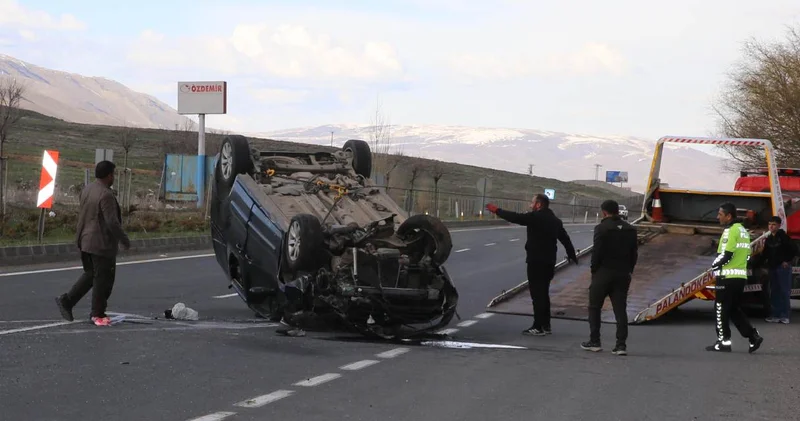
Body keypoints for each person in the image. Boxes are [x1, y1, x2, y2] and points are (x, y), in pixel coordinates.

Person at [485, 194, 578, 336]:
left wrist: (497, 210)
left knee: (537, 295)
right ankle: (546, 325)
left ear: (539, 204)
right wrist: (572, 255)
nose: (530, 205)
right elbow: (565, 238)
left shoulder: (536, 217)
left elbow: (515, 217)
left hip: (536, 261)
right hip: (549, 262)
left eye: (532, 202)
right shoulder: (555, 221)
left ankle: (538, 326)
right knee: (544, 293)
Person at [55, 161, 130, 326]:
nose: (114, 178)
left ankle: (67, 301)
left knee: (91, 275)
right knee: (103, 279)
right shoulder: (106, 195)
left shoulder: (87, 189)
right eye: (113, 174)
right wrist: (124, 239)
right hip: (100, 243)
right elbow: (112, 222)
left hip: (84, 240)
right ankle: (98, 313)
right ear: (109, 175)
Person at [580, 200, 638, 355]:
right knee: (620, 309)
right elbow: (634, 254)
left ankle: (595, 341)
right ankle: (621, 345)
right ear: (617, 211)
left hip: (604, 272)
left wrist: (594, 270)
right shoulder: (630, 229)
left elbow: (597, 252)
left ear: (604, 212)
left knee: (595, 306)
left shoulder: (601, 228)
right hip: (623, 273)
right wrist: (629, 270)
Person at [705, 202, 763, 353]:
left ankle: (723, 342)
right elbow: (747, 256)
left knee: (720, 308)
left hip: (726, 277)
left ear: (729, 216)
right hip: (740, 277)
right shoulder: (743, 231)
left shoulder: (730, 231)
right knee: (733, 309)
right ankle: (753, 336)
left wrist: (713, 265)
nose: (718, 217)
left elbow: (727, 254)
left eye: (720, 214)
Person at [759, 216, 796, 324]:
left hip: (783, 268)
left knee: (784, 291)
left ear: (779, 225)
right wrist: (757, 264)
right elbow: (765, 254)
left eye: (774, 224)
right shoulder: (769, 239)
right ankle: (775, 315)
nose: (771, 226)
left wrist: (787, 261)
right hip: (772, 268)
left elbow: (794, 250)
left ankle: (785, 316)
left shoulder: (784, 237)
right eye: (769, 224)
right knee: (774, 292)